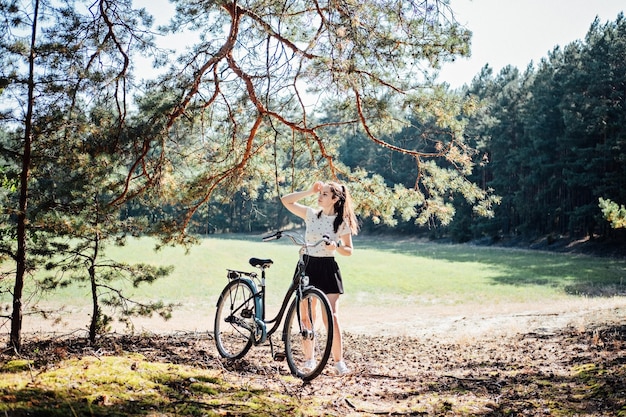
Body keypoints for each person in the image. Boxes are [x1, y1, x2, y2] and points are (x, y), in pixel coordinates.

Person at [281, 181, 359, 376]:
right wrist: (309, 190)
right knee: (307, 315)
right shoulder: (311, 214)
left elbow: (349, 251)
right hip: (308, 265)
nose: (320, 196)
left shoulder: (341, 222)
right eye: (321, 193)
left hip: (328, 267)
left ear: (335, 199)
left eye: (325, 194)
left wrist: (337, 247)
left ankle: (339, 362)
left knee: (331, 316)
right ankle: (309, 360)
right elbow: (286, 201)